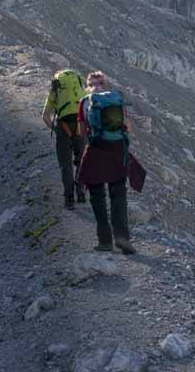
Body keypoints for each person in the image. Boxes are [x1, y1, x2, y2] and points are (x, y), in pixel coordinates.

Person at [77, 71, 135, 255]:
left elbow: (81, 132)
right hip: (117, 150)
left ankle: (105, 241)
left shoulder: (85, 102)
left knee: (97, 195)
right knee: (118, 194)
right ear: (105, 83)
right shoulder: (116, 99)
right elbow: (128, 127)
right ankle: (122, 237)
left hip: (96, 149)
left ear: (88, 85)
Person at [42, 69, 87, 209]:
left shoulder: (55, 88)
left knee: (65, 165)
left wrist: (56, 129)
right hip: (80, 125)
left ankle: (69, 199)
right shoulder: (79, 86)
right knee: (81, 160)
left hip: (64, 126)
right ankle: (81, 192)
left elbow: (45, 116)